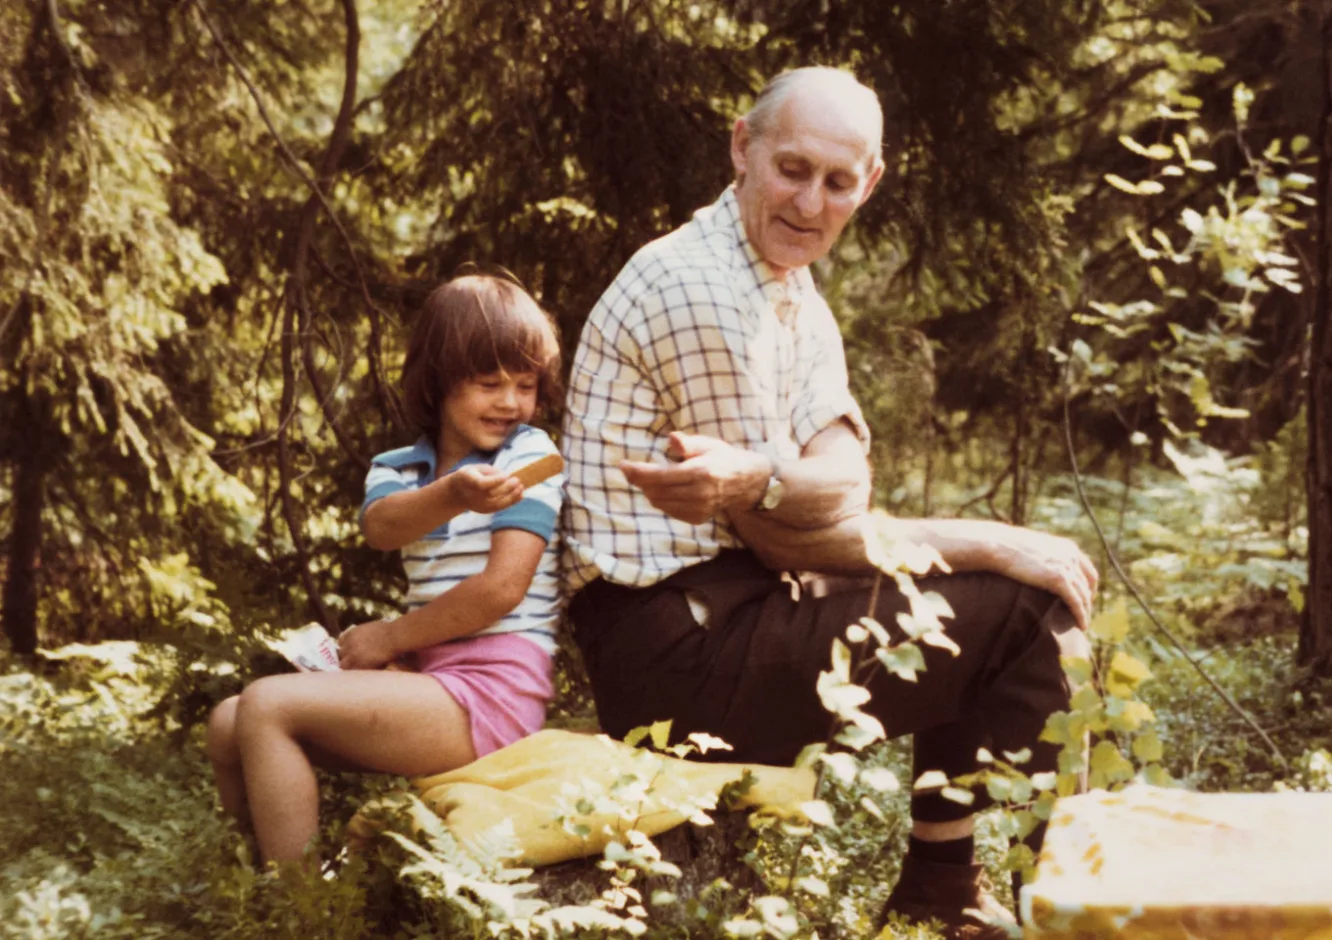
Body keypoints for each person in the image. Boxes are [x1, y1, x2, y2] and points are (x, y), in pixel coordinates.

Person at [561, 67, 1095, 938]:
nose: (811, 202)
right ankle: (1052, 907)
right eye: (793, 168)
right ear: (743, 146)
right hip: (674, 654)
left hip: (733, 617)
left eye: (838, 181)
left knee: (967, 608)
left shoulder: (791, 292)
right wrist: (990, 541)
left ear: (869, 183)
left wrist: (791, 484)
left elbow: (841, 481)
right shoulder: (699, 290)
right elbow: (795, 539)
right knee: (1019, 609)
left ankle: (944, 888)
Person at [205, 273, 567, 869]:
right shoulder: (399, 468)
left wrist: (387, 637)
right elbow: (383, 528)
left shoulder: (527, 454)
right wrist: (456, 494)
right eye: (489, 383)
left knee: (268, 704)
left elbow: (501, 591)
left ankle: (306, 917)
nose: (510, 403)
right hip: (431, 682)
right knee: (227, 723)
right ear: (440, 382)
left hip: (493, 693)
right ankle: (270, 879)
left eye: (525, 385)